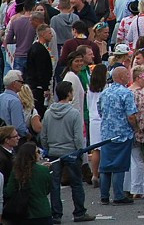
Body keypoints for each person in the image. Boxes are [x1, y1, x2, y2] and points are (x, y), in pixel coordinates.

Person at [40, 80, 94, 222]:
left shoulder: (48, 113)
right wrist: (80, 152)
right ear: (69, 93)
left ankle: (56, 214)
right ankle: (79, 212)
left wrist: (48, 148)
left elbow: (43, 135)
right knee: (76, 183)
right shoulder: (74, 113)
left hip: (54, 152)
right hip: (71, 152)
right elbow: (78, 137)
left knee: (55, 185)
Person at [97, 66, 137, 206]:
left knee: (106, 165)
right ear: (121, 77)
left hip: (106, 134)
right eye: (127, 74)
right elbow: (131, 116)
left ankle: (104, 196)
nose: (128, 76)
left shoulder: (104, 93)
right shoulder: (126, 93)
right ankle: (118, 195)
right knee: (119, 165)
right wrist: (135, 128)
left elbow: (99, 111)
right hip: (122, 133)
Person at [4, 142, 52, 225]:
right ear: (33, 155)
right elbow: (47, 189)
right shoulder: (44, 170)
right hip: (42, 210)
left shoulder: (16, 171)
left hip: (23, 212)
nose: (40, 154)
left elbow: (9, 191)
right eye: (38, 152)